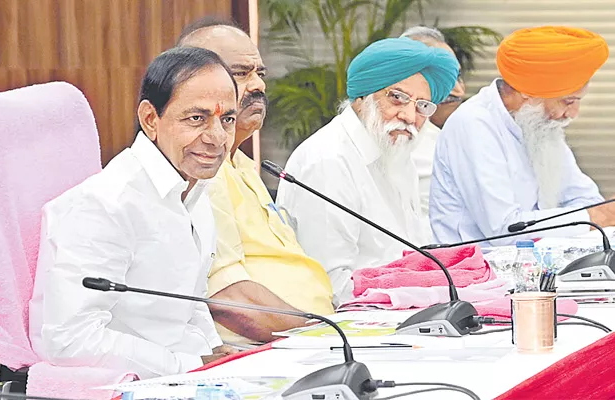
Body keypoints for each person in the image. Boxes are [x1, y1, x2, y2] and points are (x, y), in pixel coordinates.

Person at [29, 47, 238, 378]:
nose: (217, 138)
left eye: (227, 119)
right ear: (150, 119)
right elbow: (69, 340)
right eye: (196, 119)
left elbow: (191, 306)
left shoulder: (195, 189)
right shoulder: (106, 204)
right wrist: (188, 366)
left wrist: (213, 353)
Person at [177, 18, 334, 344]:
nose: (258, 85)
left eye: (259, 73)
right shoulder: (201, 172)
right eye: (240, 73)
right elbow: (228, 298)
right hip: (261, 349)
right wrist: (322, 338)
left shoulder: (245, 164)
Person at [276, 37, 459, 305]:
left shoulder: (397, 155)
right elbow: (331, 288)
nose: (410, 116)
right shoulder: (328, 161)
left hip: (398, 312)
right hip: (350, 325)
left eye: (422, 106)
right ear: (363, 97)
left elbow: (414, 255)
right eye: (398, 98)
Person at [429, 26, 615, 246]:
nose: (573, 114)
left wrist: (595, 214)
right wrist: (589, 218)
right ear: (528, 92)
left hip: (535, 265)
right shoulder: (474, 124)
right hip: (476, 272)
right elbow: (504, 229)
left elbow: (586, 198)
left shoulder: (540, 125)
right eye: (568, 101)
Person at [400, 26, 466, 216]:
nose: (458, 90)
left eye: (457, 76)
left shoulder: (469, 132)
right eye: (440, 76)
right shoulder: (392, 139)